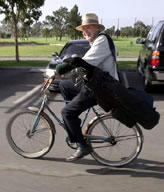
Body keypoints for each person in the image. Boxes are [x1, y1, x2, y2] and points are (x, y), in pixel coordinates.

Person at [56, 13, 119, 161]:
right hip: (98, 83)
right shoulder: (98, 40)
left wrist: (59, 70)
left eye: (88, 27)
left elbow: (84, 62)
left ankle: (82, 145)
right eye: (83, 29)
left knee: (67, 112)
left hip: (102, 88)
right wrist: (69, 75)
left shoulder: (102, 41)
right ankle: (75, 125)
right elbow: (86, 66)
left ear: (97, 28)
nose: (85, 31)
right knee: (65, 85)